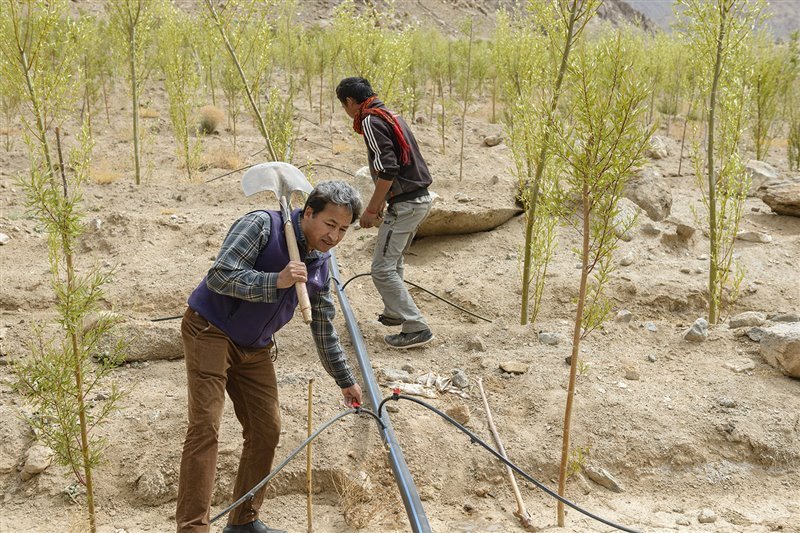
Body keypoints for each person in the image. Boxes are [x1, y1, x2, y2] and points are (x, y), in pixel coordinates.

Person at [175, 181, 363, 533]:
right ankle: (192, 528)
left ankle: (243, 521)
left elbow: (322, 325)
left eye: (342, 229)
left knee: (267, 429)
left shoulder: (321, 262)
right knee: (205, 427)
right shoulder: (262, 225)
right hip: (210, 330)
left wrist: (344, 378)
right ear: (308, 213)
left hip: (255, 346)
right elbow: (220, 276)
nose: (335, 236)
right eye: (329, 224)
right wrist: (274, 280)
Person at [336, 76, 434, 349]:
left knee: (381, 269)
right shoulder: (390, 114)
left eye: (344, 107)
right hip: (417, 199)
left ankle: (416, 326)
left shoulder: (370, 119)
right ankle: (394, 312)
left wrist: (372, 208)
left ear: (349, 102)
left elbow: (388, 169)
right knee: (394, 260)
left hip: (406, 203)